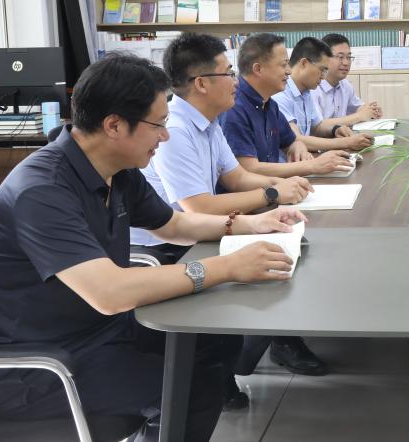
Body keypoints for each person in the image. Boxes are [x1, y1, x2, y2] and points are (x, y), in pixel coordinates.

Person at [0, 54, 303, 442]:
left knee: (214, 340)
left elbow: (173, 225)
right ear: (114, 125)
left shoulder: (117, 169)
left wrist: (249, 224)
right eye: (158, 125)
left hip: (99, 331)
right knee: (189, 389)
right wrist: (227, 267)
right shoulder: (42, 190)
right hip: (38, 366)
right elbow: (110, 293)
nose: (165, 136)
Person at [137, 32, 329, 383]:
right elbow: (198, 206)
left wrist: (284, 186)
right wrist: (272, 195)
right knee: (268, 260)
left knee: (288, 245)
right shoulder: (176, 128)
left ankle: (245, 356)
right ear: (201, 83)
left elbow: (237, 176)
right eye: (228, 73)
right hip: (167, 246)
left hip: (197, 230)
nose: (236, 81)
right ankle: (233, 363)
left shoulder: (210, 121)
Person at [220, 32, 355, 178]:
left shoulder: (269, 104)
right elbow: (248, 170)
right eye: (283, 65)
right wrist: (312, 165)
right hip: (260, 189)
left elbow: (293, 140)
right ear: (258, 69)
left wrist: (297, 147)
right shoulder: (235, 107)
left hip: (276, 184)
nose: (289, 71)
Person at [273, 37, 373, 152]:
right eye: (322, 70)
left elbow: (317, 126)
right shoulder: (280, 94)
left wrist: (335, 130)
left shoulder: (306, 91)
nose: (324, 76)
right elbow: (295, 139)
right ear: (304, 63)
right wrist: (347, 142)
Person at [313, 33, 383, 125]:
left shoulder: (345, 85)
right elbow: (318, 125)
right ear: (324, 58)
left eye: (349, 57)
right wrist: (360, 116)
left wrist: (371, 110)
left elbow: (356, 108)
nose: (346, 63)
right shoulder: (313, 87)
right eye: (340, 57)